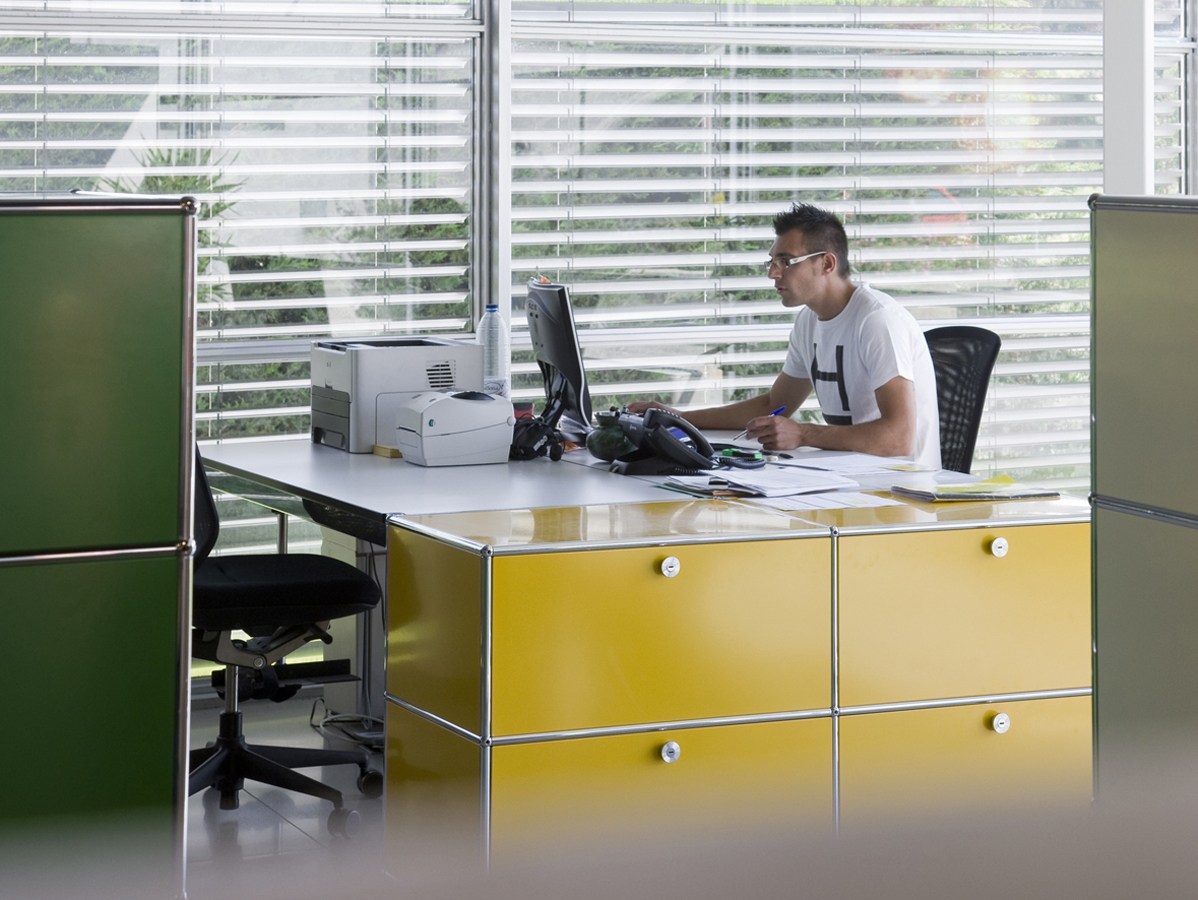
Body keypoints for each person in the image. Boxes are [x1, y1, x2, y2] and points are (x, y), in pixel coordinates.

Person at [629, 202, 941, 468]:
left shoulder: (877, 320)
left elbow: (899, 438)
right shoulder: (809, 321)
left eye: (785, 261)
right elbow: (774, 405)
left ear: (827, 263)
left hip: (899, 491)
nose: (772, 273)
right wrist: (680, 418)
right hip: (850, 480)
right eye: (772, 261)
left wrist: (803, 434)